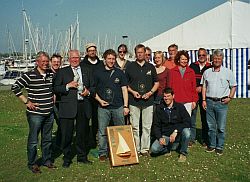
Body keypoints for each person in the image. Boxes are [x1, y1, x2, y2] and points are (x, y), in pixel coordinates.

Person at [11, 51, 56, 173]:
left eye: (47, 61)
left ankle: (46, 160)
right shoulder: (29, 75)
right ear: (37, 62)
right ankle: (33, 163)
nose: (46, 64)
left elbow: (52, 90)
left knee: (47, 139)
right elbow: (15, 87)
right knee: (33, 140)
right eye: (43, 62)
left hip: (49, 113)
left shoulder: (50, 74)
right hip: (35, 114)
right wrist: (27, 102)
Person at [53, 50, 95, 167]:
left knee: (82, 133)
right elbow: (56, 88)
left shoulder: (87, 70)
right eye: (73, 58)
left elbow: (93, 87)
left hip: (83, 105)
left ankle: (82, 157)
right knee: (67, 134)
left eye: (77, 57)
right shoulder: (62, 72)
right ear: (69, 59)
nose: (75, 60)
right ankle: (67, 158)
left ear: (80, 58)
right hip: (68, 106)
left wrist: (89, 92)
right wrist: (68, 86)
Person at [94, 49, 129, 161]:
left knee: (120, 130)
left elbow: (124, 89)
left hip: (118, 107)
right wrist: (99, 101)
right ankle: (103, 152)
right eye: (109, 58)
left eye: (113, 59)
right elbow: (92, 90)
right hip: (103, 108)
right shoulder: (98, 73)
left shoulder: (120, 72)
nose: (111, 61)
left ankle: (121, 150)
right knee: (102, 131)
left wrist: (125, 106)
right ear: (104, 59)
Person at [201, 49, 236, 155]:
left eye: (219, 59)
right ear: (212, 59)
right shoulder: (207, 72)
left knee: (220, 127)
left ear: (222, 59)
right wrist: (203, 100)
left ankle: (219, 146)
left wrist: (230, 97)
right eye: (215, 58)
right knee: (211, 126)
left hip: (222, 103)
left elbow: (233, 86)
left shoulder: (228, 72)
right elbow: (204, 86)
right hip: (209, 101)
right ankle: (211, 145)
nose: (216, 60)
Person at [126, 44, 159, 156]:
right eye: (138, 52)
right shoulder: (130, 66)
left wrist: (150, 93)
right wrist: (133, 92)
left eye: (142, 52)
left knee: (146, 126)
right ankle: (136, 148)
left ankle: (144, 149)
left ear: (145, 53)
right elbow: (125, 84)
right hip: (134, 101)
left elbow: (156, 83)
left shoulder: (151, 67)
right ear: (135, 53)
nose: (140, 54)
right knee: (135, 127)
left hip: (148, 101)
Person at [150, 87, 191, 162]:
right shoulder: (159, 108)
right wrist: (159, 137)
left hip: (177, 136)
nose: (166, 98)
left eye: (168, 96)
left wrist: (176, 131)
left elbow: (188, 121)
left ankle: (183, 153)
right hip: (166, 136)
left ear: (173, 96)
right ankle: (168, 149)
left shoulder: (180, 107)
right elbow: (156, 125)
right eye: (165, 96)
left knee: (187, 132)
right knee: (154, 149)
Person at [80, 43, 104, 149]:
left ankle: (94, 140)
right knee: (85, 120)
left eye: (94, 50)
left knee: (96, 120)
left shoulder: (101, 64)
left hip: (99, 95)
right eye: (90, 50)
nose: (92, 52)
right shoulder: (82, 64)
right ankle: (85, 141)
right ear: (87, 52)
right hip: (86, 96)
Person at [189, 48, 212, 147]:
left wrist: (202, 87)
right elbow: (189, 79)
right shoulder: (192, 66)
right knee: (192, 118)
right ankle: (191, 139)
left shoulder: (210, 66)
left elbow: (210, 81)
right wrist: (195, 88)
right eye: (200, 55)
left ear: (206, 56)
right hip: (193, 95)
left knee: (205, 118)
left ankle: (204, 139)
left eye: (203, 55)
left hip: (205, 96)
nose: (201, 57)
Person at [169, 50, 198, 116]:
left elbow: (194, 88)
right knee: (175, 122)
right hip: (175, 101)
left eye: (186, 59)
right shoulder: (172, 71)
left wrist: (194, 101)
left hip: (188, 101)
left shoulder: (191, 71)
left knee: (186, 122)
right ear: (178, 60)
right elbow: (169, 87)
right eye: (182, 59)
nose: (184, 61)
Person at [50, 53, 62, 147]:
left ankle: (59, 144)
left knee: (61, 123)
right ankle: (48, 146)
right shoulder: (47, 73)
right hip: (48, 102)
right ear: (51, 62)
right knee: (48, 125)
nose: (56, 63)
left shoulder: (62, 73)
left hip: (59, 102)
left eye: (58, 62)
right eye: (54, 62)